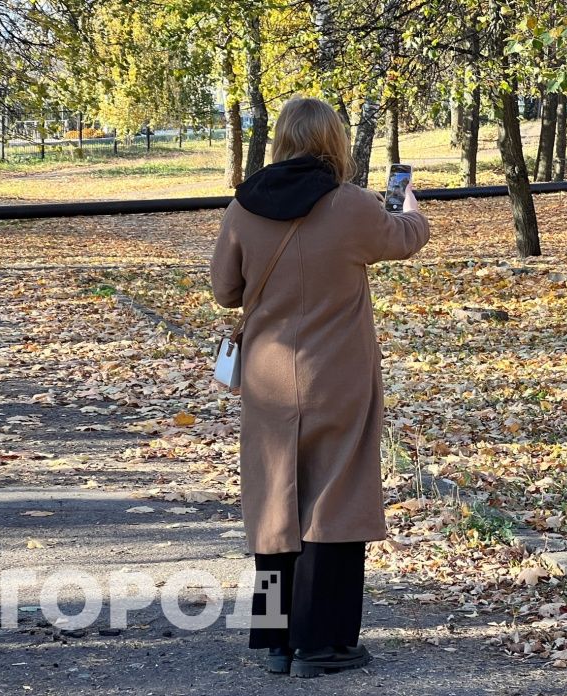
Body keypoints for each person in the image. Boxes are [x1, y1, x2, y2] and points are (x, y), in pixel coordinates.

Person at [209, 97, 430, 678]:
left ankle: (278, 642)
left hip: (267, 375)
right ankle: (323, 644)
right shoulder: (352, 206)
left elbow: (225, 289)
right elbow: (404, 238)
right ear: (334, 141)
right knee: (335, 500)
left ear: (280, 139)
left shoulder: (245, 205)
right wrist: (410, 208)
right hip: (339, 375)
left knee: (275, 499)